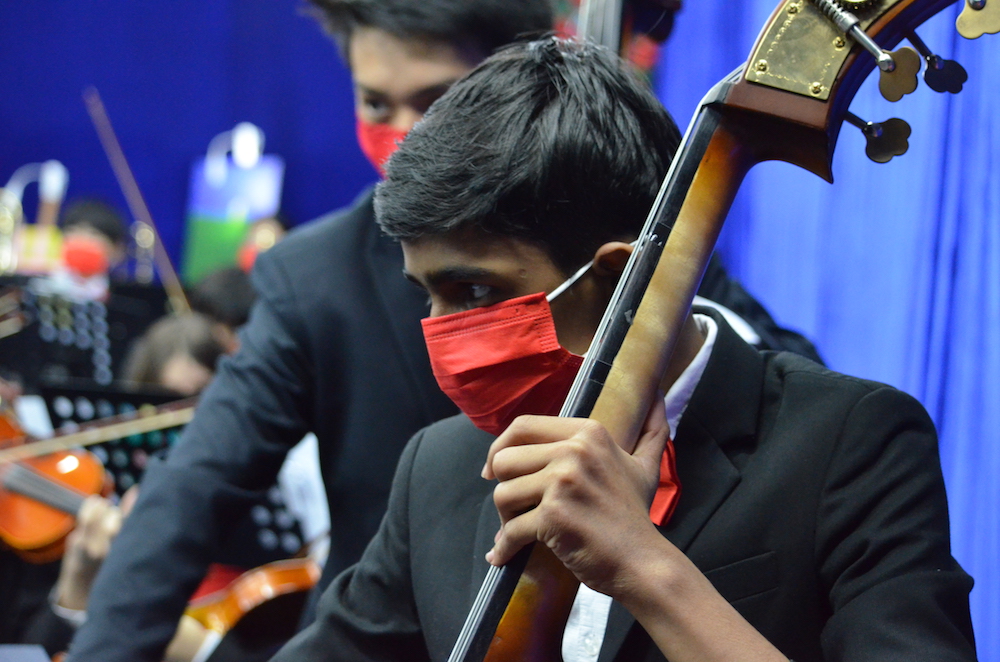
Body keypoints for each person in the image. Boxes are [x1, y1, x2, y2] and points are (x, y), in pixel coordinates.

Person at [68, 3, 819, 661]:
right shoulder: (317, 283)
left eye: (432, 101)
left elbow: (775, 391)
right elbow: (190, 496)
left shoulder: (650, 263)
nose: (401, 135)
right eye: (375, 103)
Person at [272, 38, 976, 661]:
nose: (441, 331)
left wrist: (644, 568)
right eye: (427, 295)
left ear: (615, 277)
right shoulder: (439, 464)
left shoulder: (852, 443)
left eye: (475, 292)